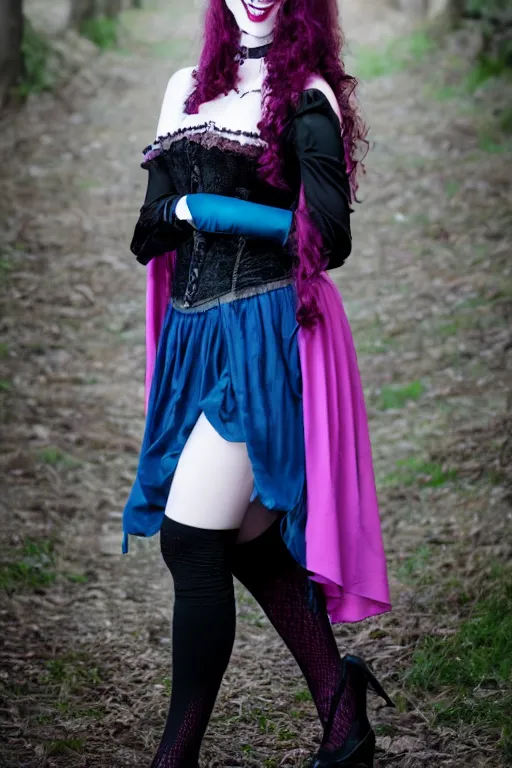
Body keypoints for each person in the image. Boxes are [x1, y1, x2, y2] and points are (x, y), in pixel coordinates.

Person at [122, 0, 393, 765]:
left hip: (266, 334)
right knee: (242, 540)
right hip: (194, 338)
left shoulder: (307, 95)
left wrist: (208, 207)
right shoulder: (185, 89)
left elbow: (327, 237)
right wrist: (177, 206)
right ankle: (344, 717)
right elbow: (150, 231)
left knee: (191, 541)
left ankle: (174, 758)